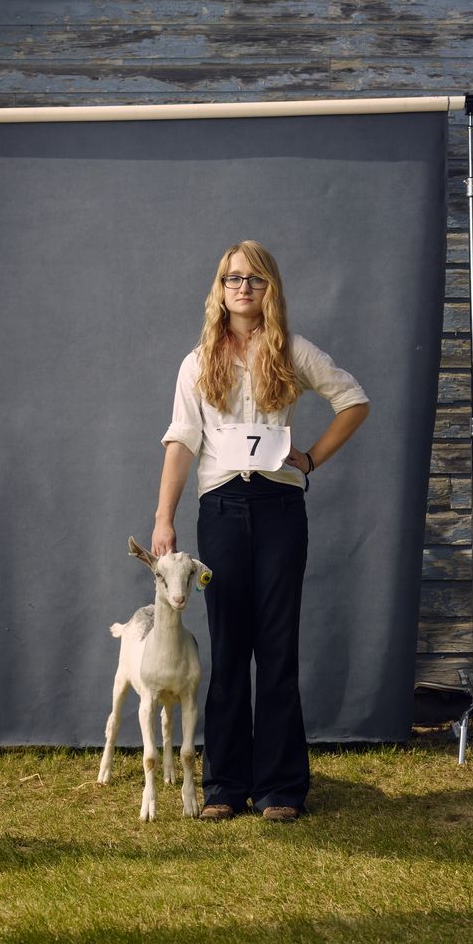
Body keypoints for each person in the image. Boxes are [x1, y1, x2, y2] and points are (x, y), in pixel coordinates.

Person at [152, 240, 369, 822]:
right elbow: (182, 441)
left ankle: (279, 788)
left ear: (269, 289)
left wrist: (313, 457)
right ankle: (225, 785)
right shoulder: (197, 363)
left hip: (279, 508)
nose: (242, 287)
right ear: (219, 290)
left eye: (253, 279)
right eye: (231, 278)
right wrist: (163, 518)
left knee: (277, 645)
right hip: (220, 508)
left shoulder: (292, 351)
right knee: (229, 647)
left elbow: (353, 400)